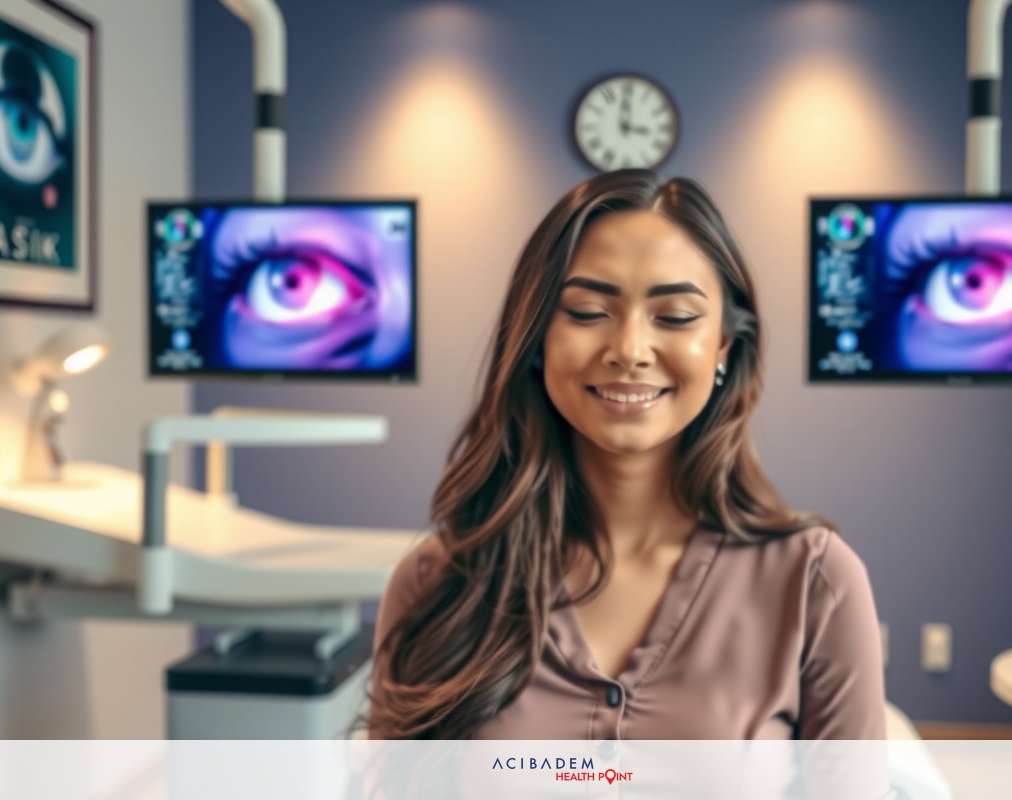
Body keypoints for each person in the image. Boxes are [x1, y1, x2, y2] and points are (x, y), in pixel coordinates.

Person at [367, 169, 886, 740]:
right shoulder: (434, 583)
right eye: (589, 312)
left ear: (723, 349)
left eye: (676, 316)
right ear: (536, 339)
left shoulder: (817, 583)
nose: (630, 351)